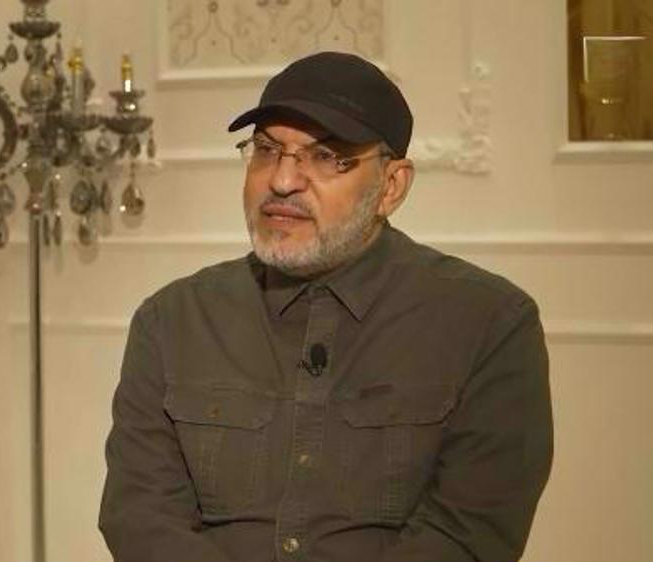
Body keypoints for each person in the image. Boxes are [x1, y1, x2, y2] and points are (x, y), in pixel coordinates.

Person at [99, 51, 552, 562]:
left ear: (391, 186)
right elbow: (139, 518)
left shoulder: (490, 324)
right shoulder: (170, 321)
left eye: (325, 156)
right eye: (267, 150)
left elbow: (469, 536)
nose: (283, 181)